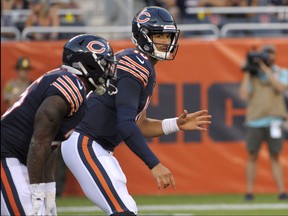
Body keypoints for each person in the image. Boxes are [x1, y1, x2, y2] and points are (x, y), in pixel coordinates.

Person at [62, 6, 212, 215]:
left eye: (168, 36)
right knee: (123, 210)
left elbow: (138, 125)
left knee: (125, 209)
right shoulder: (137, 63)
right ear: (142, 36)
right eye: (159, 35)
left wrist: (175, 124)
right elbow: (125, 125)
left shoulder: (140, 63)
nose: (166, 42)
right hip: (86, 141)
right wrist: (154, 164)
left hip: (95, 144)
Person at [1, 34, 117, 215]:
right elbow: (40, 140)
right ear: (89, 64)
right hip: (6, 153)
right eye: (105, 64)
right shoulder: (71, 86)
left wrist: (48, 188)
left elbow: (50, 145)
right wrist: (37, 191)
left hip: (19, 158)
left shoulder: (76, 88)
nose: (109, 71)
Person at [239, 45, 288, 200]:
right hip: (255, 120)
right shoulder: (253, 75)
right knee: (252, 155)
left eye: (271, 54)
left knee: (275, 155)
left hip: (274, 119)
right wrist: (248, 71)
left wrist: (267, 70)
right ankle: (249, 192)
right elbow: (244, 96)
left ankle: (281, 191)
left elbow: (280, 87)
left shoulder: (281, 72)